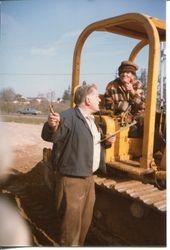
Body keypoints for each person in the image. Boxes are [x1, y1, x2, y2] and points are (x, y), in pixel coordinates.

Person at [41, 84, 115, 246]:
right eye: (97, 96)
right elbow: (51, 135)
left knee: (84, 224)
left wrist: (106, 143)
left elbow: (89, 143)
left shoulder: (92, 120)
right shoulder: (67, 117)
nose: (100, 98)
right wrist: (52, 126)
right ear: (88, 99)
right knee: (70, 229)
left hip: (88, 178)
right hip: (71, 181)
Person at [104, 60, 145, 137]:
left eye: (128, 72)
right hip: (118, 118)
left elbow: (143, 105)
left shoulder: (137, 85)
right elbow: (107, 105)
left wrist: (133, 92)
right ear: (119, 74)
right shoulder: (111, 86)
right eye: (122, 72)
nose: (125, 74)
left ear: (133, 75)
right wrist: (119, 105)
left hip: (136, 119)